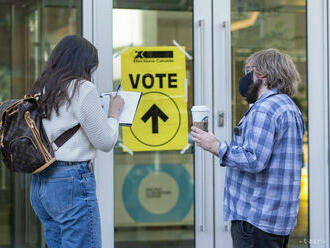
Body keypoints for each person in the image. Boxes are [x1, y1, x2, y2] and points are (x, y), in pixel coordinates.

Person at [191, 48, 304, 248]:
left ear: (262, 73)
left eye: (247, 71)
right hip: (277, 219)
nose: (244, 78)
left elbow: (254, 159)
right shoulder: (289, 107)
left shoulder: (265, 108)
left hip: (256, 218)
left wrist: (216, 146)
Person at [29, 35, 124, 248]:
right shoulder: (82, 88)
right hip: (71, 181)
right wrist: (113, 114)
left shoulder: (41, 89)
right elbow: (105, 141)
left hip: (41, 184)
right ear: (84, 63)